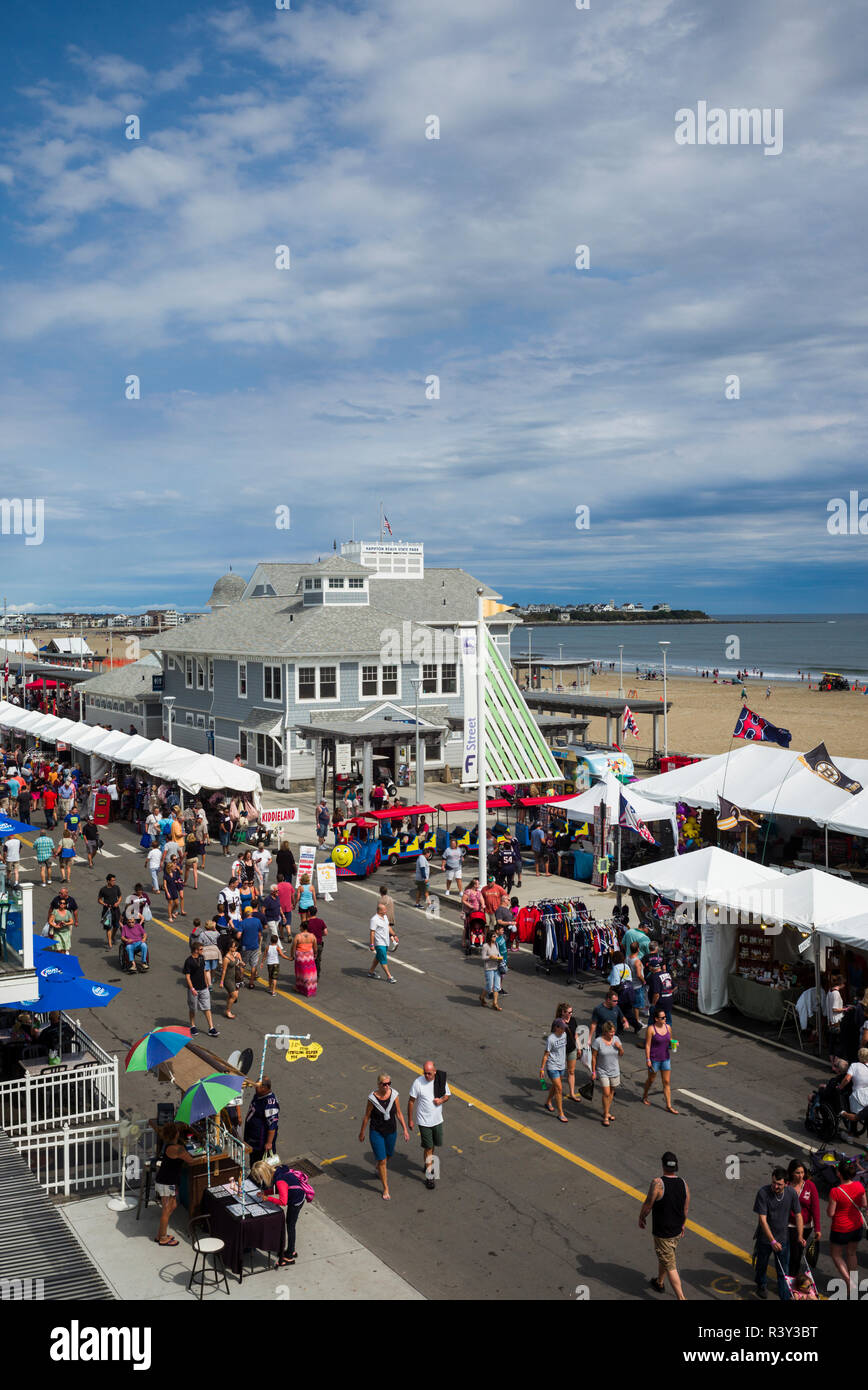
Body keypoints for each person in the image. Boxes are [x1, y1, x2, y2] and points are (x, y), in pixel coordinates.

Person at [639, 1152, 689, 1300]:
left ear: (662, 1165)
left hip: (663, 1233)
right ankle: (659, 1282)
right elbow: (685, 1209)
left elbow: (648, 1205)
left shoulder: (658, 1183)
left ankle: (681, 1297)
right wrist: (682, 1225)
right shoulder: (684, 1183)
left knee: (670, 1265)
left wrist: (641, 1217)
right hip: (676, 1231)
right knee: (666, 1258)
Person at [358, 1071, 410, 1200]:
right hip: (376, 1131)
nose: (387, 1086)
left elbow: (398, 1113)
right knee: (382, 1161)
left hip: (391, 1130)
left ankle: (378, 1167)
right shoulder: (372, 1099)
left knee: (389, 1155)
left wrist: (405, 1129)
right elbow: (367, 1116)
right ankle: (385, 1188)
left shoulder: (394, 1095)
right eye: (384, 1084)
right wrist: (362, 1132)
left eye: (389, 1084)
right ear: (379, 1084)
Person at [753, 1168, 803, 1300]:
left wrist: (800, 1235)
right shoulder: (763, 1193)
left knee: (783, 1272)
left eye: (779, 1184)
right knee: (761, 1265)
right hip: (765, 1240)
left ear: (786, 1184)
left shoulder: (791, 1193)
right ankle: (761, 1284)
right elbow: (762, 1220)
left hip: (783, 1239)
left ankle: (785, 1297)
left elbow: (798, 1215)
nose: (775, 1186)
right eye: (774, 1182)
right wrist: (772, 1241)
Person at [251, 1159, 308, 1266]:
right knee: (291, 1226)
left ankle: (290, 1256)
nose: (261, 1180)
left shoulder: (280, 1180)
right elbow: (279, 1189)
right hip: (298, 1196)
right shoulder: (277, 1170)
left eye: (260, 1177)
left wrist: (267, 1198)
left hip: (296, 1202)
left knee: (290, 1227)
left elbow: (283, 1201)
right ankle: (291, 1250)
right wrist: (266, 1192)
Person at [408, 1061, 451, 1189]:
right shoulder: (418, 1082)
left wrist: (441, 1100)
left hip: (437, 1120)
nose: (427, 1076)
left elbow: (447, 1095)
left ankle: (427, 1163)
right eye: (425, 1073)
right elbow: (411, 1102)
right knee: (428, 1147)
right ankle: (429, 1176)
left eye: (429, 1073)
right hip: (424, 1121)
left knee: (433, 1146)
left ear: (435, 1072)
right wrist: (410, 1119)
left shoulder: (440, 1080)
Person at [154, 1123, 197, 1247]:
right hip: (166, 1183)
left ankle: (160, 1234)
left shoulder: (169, 1146)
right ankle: (162, 1238)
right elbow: (191, 1161)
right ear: (176, 1134)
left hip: (165, 1181)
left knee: (173, 1205)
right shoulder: (178, 1149)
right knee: (166, 1210)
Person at [827, 1162, 867, 1288]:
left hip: (840, 1228)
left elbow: (831, 1213)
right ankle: (854, 1281)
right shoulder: (859, 1186)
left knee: (836, 1255)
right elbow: (864, 1204)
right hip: (857, 1226)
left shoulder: (835, 1191)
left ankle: (849, 1282)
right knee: (851, 1253)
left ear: (839, 1174)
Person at [787, 1160, 820, 1276]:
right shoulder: (785, 1185)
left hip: (806, 1226)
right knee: (792, 1251)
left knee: (797, 1251)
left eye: (802, 1173)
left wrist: (818, 1229)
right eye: (797, 1173)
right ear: (791, 1173)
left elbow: (815, 1208)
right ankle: (790, 1274)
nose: (800, 1175)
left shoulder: (810, 1186)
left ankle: (792, 1274)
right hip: (790, 1225)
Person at [642, 1008, 679, 1114]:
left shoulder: (668, 1027)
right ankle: (645, 1095)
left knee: (666, 1082)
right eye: (662, 1017)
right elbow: (648, 1045)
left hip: (665, 1058)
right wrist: (648, 1059)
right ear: (656, 1019)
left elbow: (670, 1039)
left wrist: (674, 1043)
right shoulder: (651, 1029)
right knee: (651, 1080)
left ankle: (668, 1105)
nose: (665, 1019)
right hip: (654, 1060)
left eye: (665, 1017)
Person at [183, 940, 219, 1037]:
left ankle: (211, 1028)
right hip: (194, 989)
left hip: (203, 988)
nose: (202, 950)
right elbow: (187, 976)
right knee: (193, 1009)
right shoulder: (189, 961)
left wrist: (207, 983)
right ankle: (192, 1025)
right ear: (195, 950)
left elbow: (203, 971)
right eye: (201, 949)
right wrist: (192, 989)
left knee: (207, 1007)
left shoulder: (202, 958)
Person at [591, 1020, 624, 1127]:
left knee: (611, 1092)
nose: (613, 1034)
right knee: (606, 1092)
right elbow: (594, 1057)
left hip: (614, 1070)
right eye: (611, 1032)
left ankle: (607, 1111)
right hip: (602, 1071)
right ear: (605, 1032)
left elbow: (621, 1054)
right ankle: (605, 1116)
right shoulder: (598, 1041)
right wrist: (594, 1071)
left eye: (614, 1032)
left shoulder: (616, 1039)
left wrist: (619, 1047)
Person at [244, 1078, 280, 1165]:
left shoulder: (270, 1103)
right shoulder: (258, 1095)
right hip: (253, 1138)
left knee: (261, 1165)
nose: (255, 1088)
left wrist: (269, 1142)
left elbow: (272, 1124)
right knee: (253, 1161)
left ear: (264, 1088)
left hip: (261, 1141)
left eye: (257, 1086)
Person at [540, 1017, 570, 1122]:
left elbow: (563, 1050)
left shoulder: (565, 1035)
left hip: (562, 1066)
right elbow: (546, 1054)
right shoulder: (551, 1039)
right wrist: (542, 1069)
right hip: (552, 1067)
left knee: (555, 1086)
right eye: (562, 1028)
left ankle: (548, 1101)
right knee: (559, 1089)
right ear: (556, 1027)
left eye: (564, 1028)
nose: (563, 1030)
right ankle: (561, 1113)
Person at [553, 1002, 583, 1104]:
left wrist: (579, 1048)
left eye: (571, 1012)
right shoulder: (557, 1022)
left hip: (572, 1049)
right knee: (559, 1073)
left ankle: (572, 1093)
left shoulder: (573, 1020)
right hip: (560, 1051)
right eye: (568, 1012)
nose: (570, 1014)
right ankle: (555, 1091)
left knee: (571, 1071)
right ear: (563, 1012)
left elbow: (576, 1036)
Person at [838, 1046, 868, 1127]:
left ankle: (850, 1133)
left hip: (858, 1096)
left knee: (854, 1114)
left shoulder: (854, 1065)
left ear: (859, 1056)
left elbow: (847, 1079)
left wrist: (840, 1087)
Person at [368, 906, 398, 983]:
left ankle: (371, 972)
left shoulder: (385, 917)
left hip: (386, 942)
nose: (386, 910)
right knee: (383, 959)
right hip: (379, 943)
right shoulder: (374, 920)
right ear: (380, 911)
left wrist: (394, 935)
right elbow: (372, 932)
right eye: (384, 910)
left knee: (378, 957)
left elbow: (387, 927)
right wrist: (371, 944)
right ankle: (389, 976)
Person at [239, 905, 265, 989]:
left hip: (245, 946)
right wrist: (258, 941)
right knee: (253, 965)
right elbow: (260, 933)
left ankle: (241, 981)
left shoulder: (242, 922)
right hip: (255, 945)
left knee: (242, 964)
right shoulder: (257, 921)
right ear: (251, 913)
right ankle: (251, 982)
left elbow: (239, 935)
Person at [291, 919, 319, 996]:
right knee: (310, 972)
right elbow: (315, 947)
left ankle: (299, 987)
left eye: (300, 927)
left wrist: (292, 955)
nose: (299, 928)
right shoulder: (312, 936)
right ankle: (310, 989)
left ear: (302, 927)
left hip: (300, 956)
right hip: (309, 956)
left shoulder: (298, 936)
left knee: (300, 972)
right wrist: (315, 954)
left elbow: (293, 947)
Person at [219, 938, 244, 1019]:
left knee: (231, 995)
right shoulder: (226, 958)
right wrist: (221, 982)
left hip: (233, 978)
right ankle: (228, 1011)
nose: (235, 948)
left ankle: (228, 1008)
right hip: (227, 980)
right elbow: (224, 971)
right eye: (233, 947)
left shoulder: (233, 955)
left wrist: (240, 963)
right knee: (234, 995)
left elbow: (235, 964)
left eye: (236, 946)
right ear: (229, 947)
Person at [479, 929, 503, 1010]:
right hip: (489, 968)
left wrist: (500, 959)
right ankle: (482, 997)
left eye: (496, 936)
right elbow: (483, 958)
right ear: (490, 937)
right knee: (489, 987)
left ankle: (495, 1003)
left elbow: (498, 954)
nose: (496, 937)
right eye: (494, 936)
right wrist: (490, 957)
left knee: (497, 987)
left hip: (496, 968)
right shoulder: (486, 946)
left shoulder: (496, 944)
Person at [647, 956, 675, 1026]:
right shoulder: (667, 974)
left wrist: (653, 1004)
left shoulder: (655, 977)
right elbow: (675, 986)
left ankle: (651, 1035)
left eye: (649, 966)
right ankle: (667, 1034)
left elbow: (656, 994)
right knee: (667, 1019)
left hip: (660, 1003)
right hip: (668, 1001)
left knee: (652, 1020)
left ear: (652, 967)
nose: (648, 968)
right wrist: (669, 992)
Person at [461, 878, 486, 955]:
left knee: (479, 924)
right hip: (469, 911)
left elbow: (482, 899)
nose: (478, 885)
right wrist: (470, 905)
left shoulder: (478, 892)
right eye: (478, 884)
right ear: (474, 885)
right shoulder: (468, 891)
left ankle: (479, 940)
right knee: (466, 927)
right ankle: (464, 941)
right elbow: (463, 900)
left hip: (477, 912)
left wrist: (483, 905)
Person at [120, 907, 149, 972]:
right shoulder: (124, 927)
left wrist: (144, 938)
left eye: (132, 922)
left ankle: (143, 962)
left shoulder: (138, 926)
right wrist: (127, 940)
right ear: (127, 922)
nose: (131, 924)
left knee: (144, 945)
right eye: (129, 922)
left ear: (134, 921)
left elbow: (144, 934)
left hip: (139, 942)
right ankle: (133, 965)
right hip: (130, 943)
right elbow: (122, 937)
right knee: (129, 948)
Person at [98, 873, 122, 948]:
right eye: (112, 880)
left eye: (114, 880)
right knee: (108, 927)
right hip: (107, 911)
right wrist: (104, 904)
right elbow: (99, 900)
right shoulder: (103, 889)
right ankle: (110, 943)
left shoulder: (116, 887)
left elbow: (120, 896)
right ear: (108, 881)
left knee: (116, 926)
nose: (114, 882)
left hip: (116, 910)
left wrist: (118, 902)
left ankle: (113, 937)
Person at [306, 911, 328, 976]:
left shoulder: (307, 923)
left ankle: (309, 975)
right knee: (317, 961)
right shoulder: (321, 921)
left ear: (309, 913)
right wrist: (319, 935)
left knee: (309, 961)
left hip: (309, 945)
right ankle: (317, 975)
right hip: (319, 944)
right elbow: (326, 932)